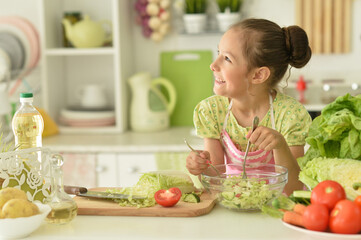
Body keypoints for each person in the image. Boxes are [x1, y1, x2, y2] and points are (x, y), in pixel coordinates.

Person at [186, 18, 312, 195]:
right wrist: (200, 167)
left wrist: (280, 146)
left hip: (277, 210)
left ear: (258, 75)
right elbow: (215, 179)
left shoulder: (290, 115)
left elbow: (294, 188)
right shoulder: (212, 111)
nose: (213, 65)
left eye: (227, 58)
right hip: (234, 205)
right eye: (218, 53)